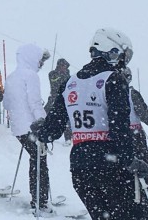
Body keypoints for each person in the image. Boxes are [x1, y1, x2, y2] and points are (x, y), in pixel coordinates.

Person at [32, 27, 147, 219]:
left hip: (81, 167)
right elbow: (120, 127)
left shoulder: (70, 83)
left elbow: (53, 130)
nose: (123, 62)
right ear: (112, 51)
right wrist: (130, 160)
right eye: (123, 56)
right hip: (111, 165)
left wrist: (41, 131)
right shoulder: (114, 79)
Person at [3, 43, 52, 216]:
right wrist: (44, 123)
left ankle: (39, 198)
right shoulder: (31, 76)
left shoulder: (11, 77)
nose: (40, 65)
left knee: (35, 159)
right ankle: (40, 200)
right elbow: (35, 103)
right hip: (32, 127)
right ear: (32, 58)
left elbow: (7, 104)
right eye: (40, 61)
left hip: (18, 128)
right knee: (40, 162)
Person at [122, 67, 148, 213]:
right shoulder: (132, 93)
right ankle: (141, 200)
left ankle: (130, 199)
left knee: (126, 167)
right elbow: (144, 113)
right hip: (135, 135)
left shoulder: (110, 91)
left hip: (119, 135)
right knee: (141, 166)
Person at [44, 58, 72, 145]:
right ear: (58, 66)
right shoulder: (53, 74)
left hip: (65, 100)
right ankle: (41, 131)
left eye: (65, 66)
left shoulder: (69, 77)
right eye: (62, 65)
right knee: (44, 113)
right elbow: (54, 81)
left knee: (66, 119)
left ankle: (68, 138)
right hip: (53, 99)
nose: (64, 68)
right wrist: (62, 75)